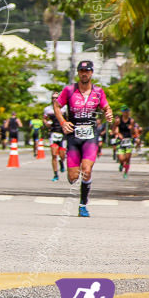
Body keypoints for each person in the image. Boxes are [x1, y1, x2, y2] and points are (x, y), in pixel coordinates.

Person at [54, 60, 113, 217]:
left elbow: (106, 107)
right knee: (73, 177)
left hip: (90, 137)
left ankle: (83, 204)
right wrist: (63, 122)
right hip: (73, 135)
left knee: (87, 170)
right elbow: (57, 106)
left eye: (87, 71)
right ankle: (73, 176)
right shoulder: (69, 90)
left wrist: (108, 113)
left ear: (92, 73)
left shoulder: (98, 92)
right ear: (78, 73)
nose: (84, 73)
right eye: (81, 71)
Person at [112, 107, 137, 178]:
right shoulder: (118, 120)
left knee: (128, 158)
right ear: (122, 112)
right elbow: (114, 129)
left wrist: (131, 128)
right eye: (124, 111)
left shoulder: (131, 120)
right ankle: (121, 164)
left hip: (129, 140)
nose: (126, 113)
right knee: (121, 159)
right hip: (121, 141)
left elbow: (133, 132)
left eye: (127, 111)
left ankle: (126, 172)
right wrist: (118, 134)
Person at [44, 103, 65, 182]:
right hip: (53, 133)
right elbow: (44, 118)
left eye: (56, 97)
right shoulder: (48, 109)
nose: (55, 99)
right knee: (54, 155)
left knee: (62, 155)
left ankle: (61, 162)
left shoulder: (65, 108)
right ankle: (55, 174)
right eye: (53, 98)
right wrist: (46, 123)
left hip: (62, 134)